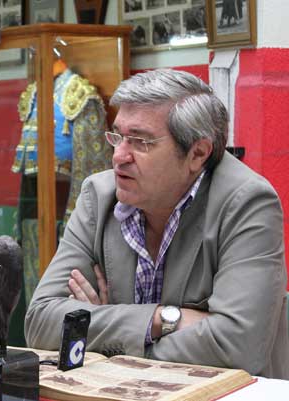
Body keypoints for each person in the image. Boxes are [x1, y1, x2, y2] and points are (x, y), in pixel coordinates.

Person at [25, 69, 289, 379]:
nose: (119, 156)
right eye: (118, 137)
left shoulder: (246, 203)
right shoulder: (98, 195)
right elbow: (40, 322)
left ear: (197, 153)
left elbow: (238, 346)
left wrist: (100, 331)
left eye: (140, 142)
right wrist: (163, 319)